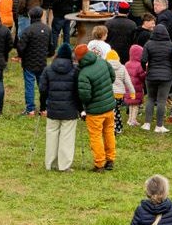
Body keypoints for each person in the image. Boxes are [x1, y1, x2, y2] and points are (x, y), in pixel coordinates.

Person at [37, 46, 80, 172]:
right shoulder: (75, 70)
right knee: (67, 137)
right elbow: (78, 91)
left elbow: (42, 89)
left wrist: (43, 106)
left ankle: (50, 163)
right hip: (70, 110)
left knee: (51, 135)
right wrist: (79, 107)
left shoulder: (48, 69)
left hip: (53, 108)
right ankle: (64, 165)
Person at [76, 42, 117, 170]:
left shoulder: (84, 74)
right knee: (109, 132)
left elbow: (85, 96)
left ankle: (99, 163)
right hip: (109, 105)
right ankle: (110, 159)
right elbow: (113, 77)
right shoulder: (102, 61)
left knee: (96, 136)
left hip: (95, 111)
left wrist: (85, 106)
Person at [139, 25, 172, 132]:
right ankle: (159, 126)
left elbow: (143, 60)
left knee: (150, 98)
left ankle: (147, 123)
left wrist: (146, 69)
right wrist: (171, 68)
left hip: (151, 75)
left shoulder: (148, 44)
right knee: (162, 100)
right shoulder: (170, 45)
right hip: (166, 76)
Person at [16, 6, 51, 117]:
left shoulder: (27, 31)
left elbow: (21, 47)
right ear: (41, 16)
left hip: (29, 63)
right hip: (42, 62)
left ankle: (30, 109)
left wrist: (22, 56)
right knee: (43, 85)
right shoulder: (47, 30)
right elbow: (51, 46)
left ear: (30, 16)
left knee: (29, 86)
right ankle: (44, 109)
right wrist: (47, 54)